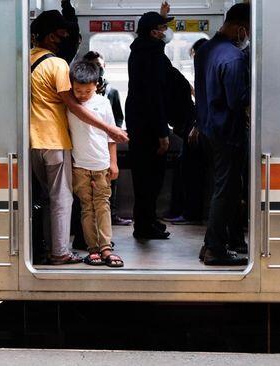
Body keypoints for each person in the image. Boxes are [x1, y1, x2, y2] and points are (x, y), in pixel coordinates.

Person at [30, 10, 128, 265]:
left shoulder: (26, 60)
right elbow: (73, 105)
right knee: (61, 199)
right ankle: (60, 252)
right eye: (62, 33)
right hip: (53, 139)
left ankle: (44, 247)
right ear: (52, 36)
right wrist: (111, 129)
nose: (66, 38)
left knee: (43, 198)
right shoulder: (57, 64)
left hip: (29, 141)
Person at [194, 3, 251, 266]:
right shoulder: (234, 58)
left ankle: (210, 245)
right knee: (226, 191)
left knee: (219, 188)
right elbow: (236, 100)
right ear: (241, 28)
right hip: (227, 132)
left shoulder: (204, 50)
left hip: (207, 128)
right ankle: (215, 249)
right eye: (248, 31)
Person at [125, 2, 175, 240]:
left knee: (143, 178)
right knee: (151, 179)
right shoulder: (152, 54)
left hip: (138, 122)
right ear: (153, 32)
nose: (165, 33)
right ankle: (144, 226)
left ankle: (147, 222)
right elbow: (155, 95)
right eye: (162, 28)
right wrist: (162, 132)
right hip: (149, 127)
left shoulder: (139, 50)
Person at [67, 61, 124, 267]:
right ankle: (92, 249)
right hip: (79, 165)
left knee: (103, 206)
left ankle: (106, 247)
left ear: (97, 85)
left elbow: (111, 137)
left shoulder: (103, 103)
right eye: (78, 90)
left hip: (102, 163)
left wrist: (113, 163)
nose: (82, 94)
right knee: (86, 208)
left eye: (87, 90)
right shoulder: (70, 105)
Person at [82, 51, 132, 226]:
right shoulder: (80, 92)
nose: (98, 69)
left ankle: (112, 214)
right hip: (87, 143)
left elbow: (118, 117)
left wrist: (111, 132)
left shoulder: (111, 91)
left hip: (106, 141)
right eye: (94, 66)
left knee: (110, 180)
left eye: (100, 66)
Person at [164, 38, 208, 225]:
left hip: (195, 126)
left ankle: (190, 213)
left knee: (190, 171)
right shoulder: (179, 76)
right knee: (186, 168)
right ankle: (187, 211)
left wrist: (196, 126)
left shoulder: (206, 72)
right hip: (192, 125)